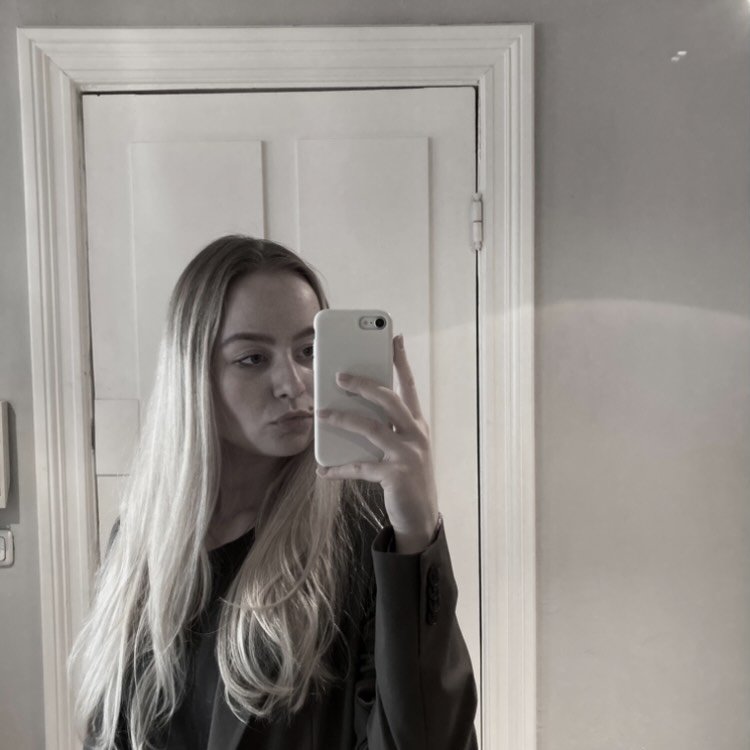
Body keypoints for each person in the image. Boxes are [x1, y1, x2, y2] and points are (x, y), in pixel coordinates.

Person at [69, 235, 478, 750]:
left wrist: (416, 535)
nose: (294, 382)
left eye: (309, 351)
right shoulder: (140, 540)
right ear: (193, 374)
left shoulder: (364, 535)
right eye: (252, 358)